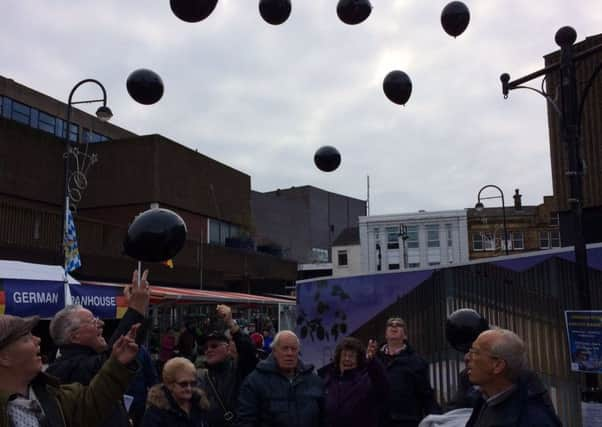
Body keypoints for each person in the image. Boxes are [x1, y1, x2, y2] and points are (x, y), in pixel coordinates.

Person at [46, 269, 150, 427]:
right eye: (92, 321)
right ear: (74, 337)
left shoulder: (84, 360)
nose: (101, 324)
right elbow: (110, 363)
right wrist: (136, 311)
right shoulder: (64, 369)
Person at [0, 313, 140, 427]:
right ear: (4, 357)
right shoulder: (72, 367)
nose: (38, 340)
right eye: (26, 339)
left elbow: (93, 400)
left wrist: (117, 363)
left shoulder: (55, 395)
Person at [465, 329, 562, 427]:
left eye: (475, 352)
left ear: (498, 366)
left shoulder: (534, 420)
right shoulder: (485, 399)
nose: (467, 358)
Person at [237, 330, 326, 427]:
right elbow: (245, 421)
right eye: (285, 348)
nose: (289, 353)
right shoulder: (254, 382)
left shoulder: (314, 381)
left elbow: (324, 418)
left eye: (294, 349)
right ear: (274, 351)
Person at [197, 304, 258, 427]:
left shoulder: (238, 370)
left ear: (228, 348)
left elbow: (249, 351)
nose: (208, 350)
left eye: (214, 346)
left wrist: (231, 324)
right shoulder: (202, 376)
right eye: (206, 347)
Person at [377, 317, 441, 427]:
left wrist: (438, 419)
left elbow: (426, 395)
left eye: (399, 325)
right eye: (390, 324)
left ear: (405, 335)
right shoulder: (374, 360)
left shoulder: (417, 362)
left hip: (407, 421)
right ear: (385, 335)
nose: (394, 326)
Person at [323, 337, 389, 427]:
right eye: (344, 355)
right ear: (338, 358)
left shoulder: (366, 380)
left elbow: (382, 384)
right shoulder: (329, 380)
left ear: (358, 360)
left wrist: (372, 360)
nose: (347, 359)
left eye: (351, 356)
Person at [142, 357, 210, 427]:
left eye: (193, 383)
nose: (189, 388)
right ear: (169, 384)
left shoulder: (199, 404)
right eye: (183, 384)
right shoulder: (155, 413)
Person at [127, 344, 159, 427]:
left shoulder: (142, 351)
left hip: (138, 402)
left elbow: (152, 377)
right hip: (120, 402)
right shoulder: (115, 349)